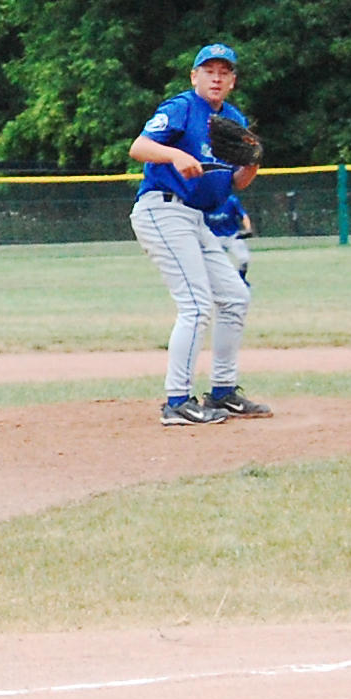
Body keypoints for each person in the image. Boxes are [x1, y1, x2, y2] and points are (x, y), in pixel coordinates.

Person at [127, 43, 271, 426]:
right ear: (195, 76)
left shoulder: (233, 119)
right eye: (209, 71)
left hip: (195, 219)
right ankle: (176, 401)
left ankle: (223, 392)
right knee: (195, 304)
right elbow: (139, 147)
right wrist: (174, 154)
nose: (216, 78)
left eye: (224, 72)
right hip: (162, 209)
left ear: (233, 81)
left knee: (235, 297)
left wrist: (253, 163)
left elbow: (237, 181)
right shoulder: (182, 108)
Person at [205, 192, 253, 284]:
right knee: (215, 264)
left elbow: (244, 216)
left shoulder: (231, 200)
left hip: (232, 236)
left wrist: (248, 229)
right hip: (213, 237)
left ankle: (241, 279)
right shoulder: (205, 202)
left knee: (244, 259)